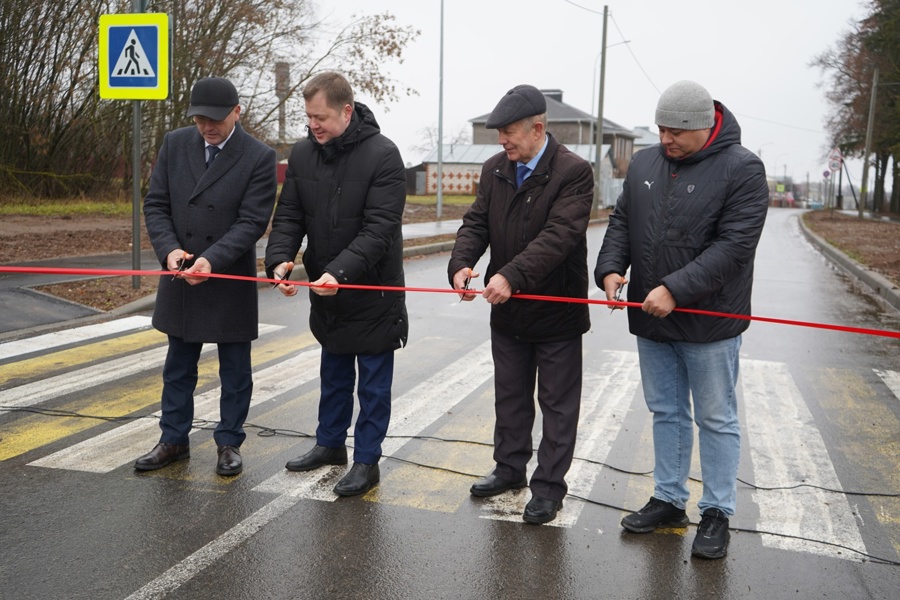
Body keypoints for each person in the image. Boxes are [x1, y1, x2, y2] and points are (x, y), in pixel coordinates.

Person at [595, 80, 769, 559]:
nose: (665, 139)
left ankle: (717, 512)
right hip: (652, 319)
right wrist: (611, 269)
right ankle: (669, 498)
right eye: (660, 129)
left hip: (708, 322)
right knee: (666, 411)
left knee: (716, 417)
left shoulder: (743, 168)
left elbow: (734, 247)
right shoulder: (647, 163)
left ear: (704, 126)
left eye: (675, 132)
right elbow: (622, 223)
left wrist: (675, 289)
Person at [448, 84, 593, 525]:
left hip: (556, 314)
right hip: (507, 313)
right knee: (510, 399)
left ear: (538, 128)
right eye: (499, 133)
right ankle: (510, 470)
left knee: (557, 406)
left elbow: (558, 237)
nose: (502, 141)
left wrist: (511, 275)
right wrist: (461, 263)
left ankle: (548, 488)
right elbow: (476, 223)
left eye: (509, 132)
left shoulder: (574, 172)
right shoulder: (495, 169)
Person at [266, 72, 408, 497]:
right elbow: (289, 215)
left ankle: (367, 461)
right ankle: (329, 445)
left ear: (347, 111)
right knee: (333, 373)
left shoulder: (384, 155)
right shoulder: (303, 155)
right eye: (309, 117)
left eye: (321, 117)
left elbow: (379, 229)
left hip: (371, 291)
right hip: (328, 291)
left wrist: (340, 274)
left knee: (373, 385)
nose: (313, 125)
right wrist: (280, 261)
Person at [137, 77, 277, 476]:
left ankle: (229, 441)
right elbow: (156, 204)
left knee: (235, 370)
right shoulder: (175, 143)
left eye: (215, 119)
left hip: (227, 276)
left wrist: (212, 260)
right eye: (200, 119)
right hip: (182, 273)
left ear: (237, 111)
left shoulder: (258, 156)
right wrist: (170, 251)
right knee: (178, 366)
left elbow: (252, 222)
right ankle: (173, 440)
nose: (207, 127)